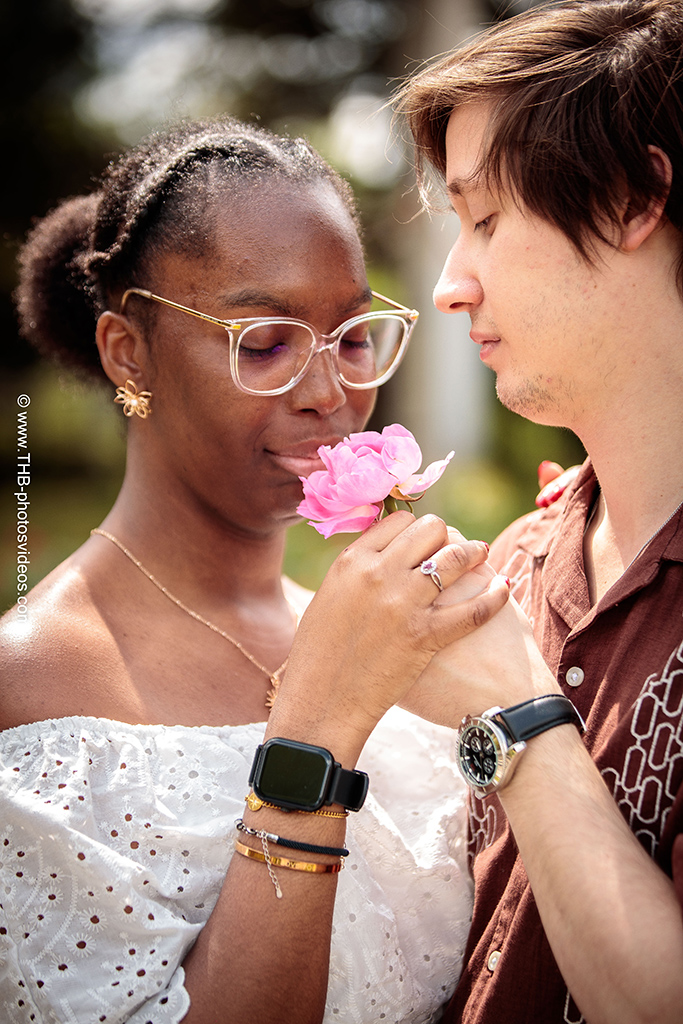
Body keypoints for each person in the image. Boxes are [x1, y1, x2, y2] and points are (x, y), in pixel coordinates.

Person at [0, 116, 515, 1024]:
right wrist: (316, 727)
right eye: (266, 343)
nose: (329, 394)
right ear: (129, 354)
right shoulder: (34, 687)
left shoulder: (387, 630)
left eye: (350, 336)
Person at [392, 1, 683, 1021]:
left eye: (483, 220)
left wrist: (515, 713)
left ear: (629, 199)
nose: (447, 287)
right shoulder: (513, 561)